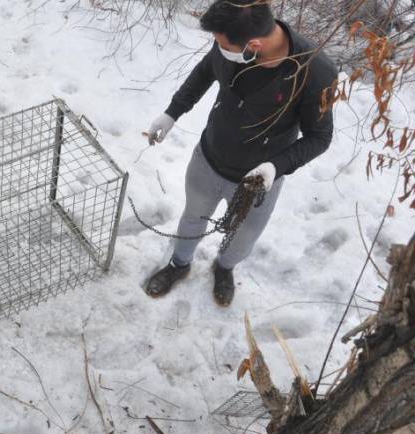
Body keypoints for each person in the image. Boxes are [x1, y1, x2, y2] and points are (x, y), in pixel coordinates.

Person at [143, 0, 338, 306]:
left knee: (243, 237)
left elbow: (320, 137)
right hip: (208, 158)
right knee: (193, 216)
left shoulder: (315, 72)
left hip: (255, 182)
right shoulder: (233, 43)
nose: (217, 47)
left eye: (221, 43)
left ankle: (224, 268)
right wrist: (172, 113)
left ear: (254, 44)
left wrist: (276, 166)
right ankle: (179, 265)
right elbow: (204, 72)